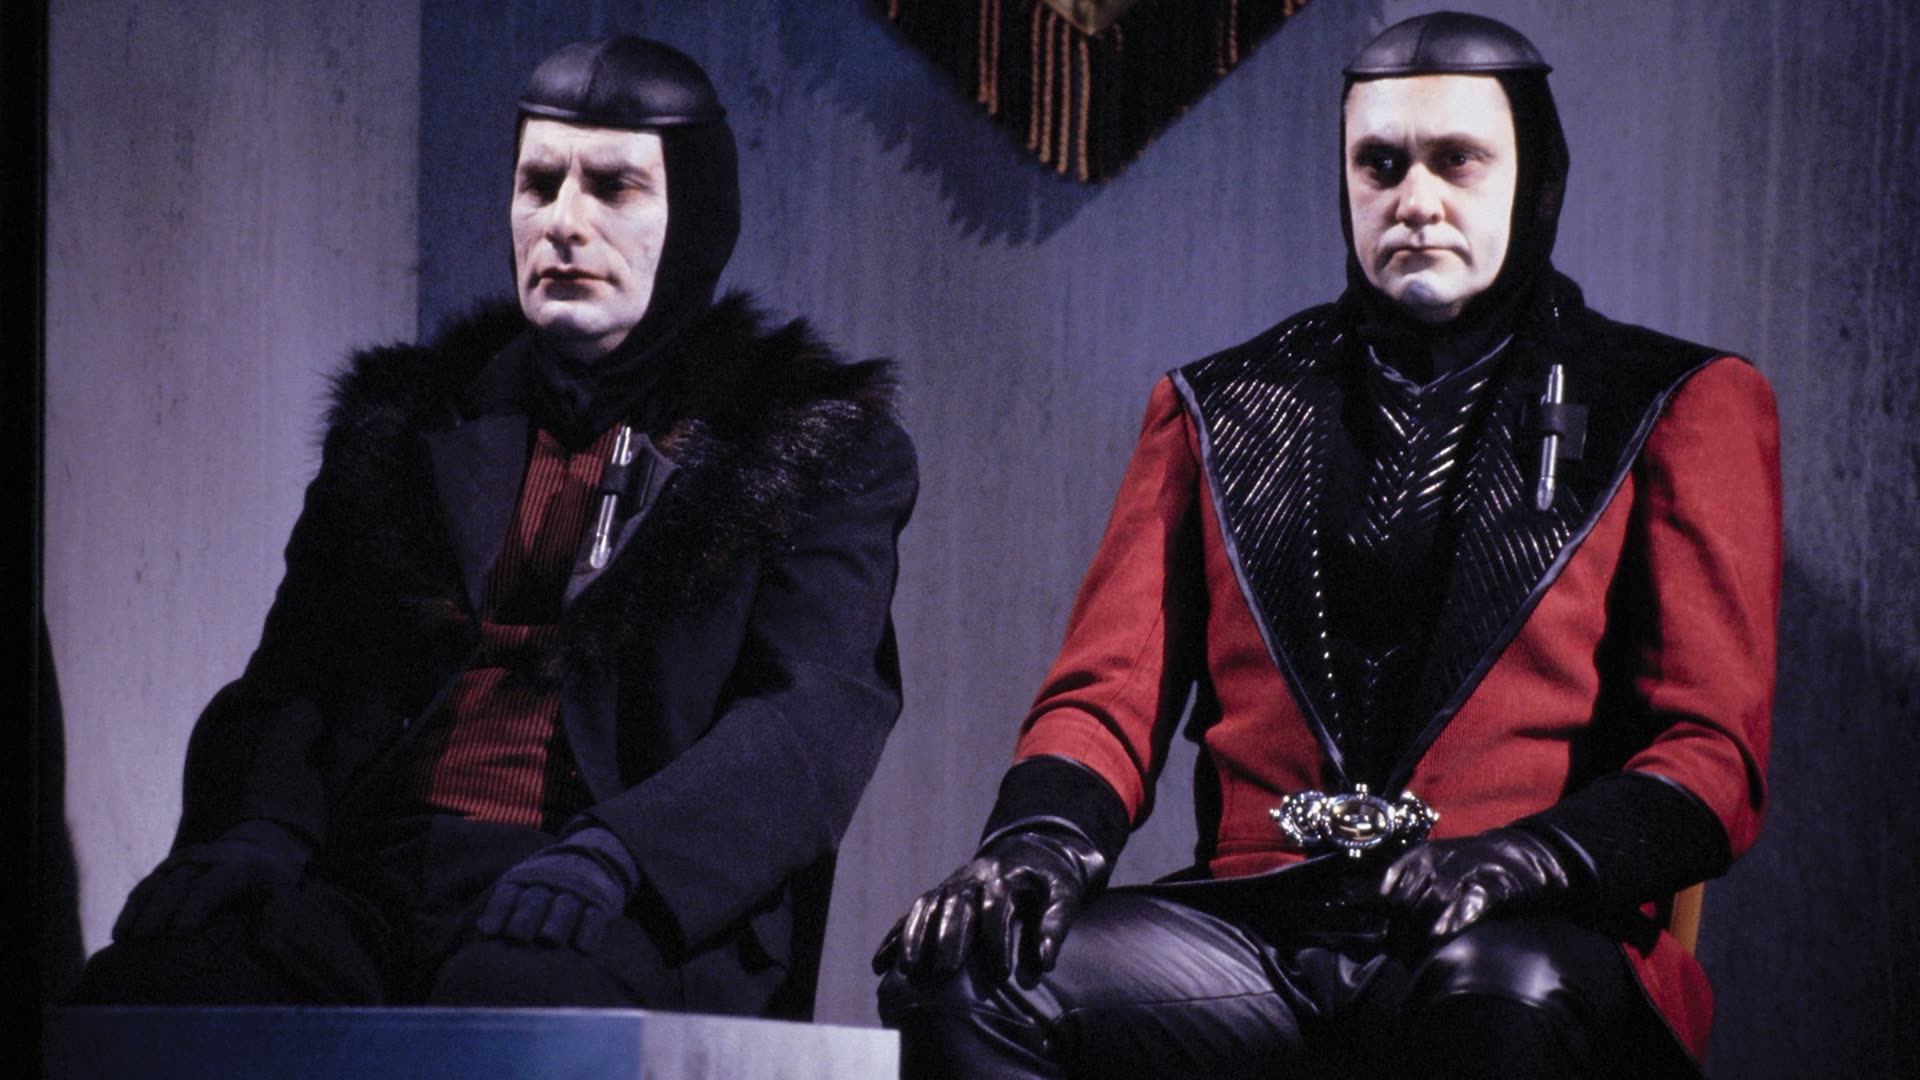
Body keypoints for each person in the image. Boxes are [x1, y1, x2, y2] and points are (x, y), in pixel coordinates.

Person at [875, 11, 1776, 1078]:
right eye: (1380, 165)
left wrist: (1533, 858)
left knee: (1498, 991)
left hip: (1526, 930)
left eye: (1458, 161)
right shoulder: (1217, 407)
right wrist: (1036, 842)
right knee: (971, 980)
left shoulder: (1674, 401)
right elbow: (1104, 699)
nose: (1416, 200)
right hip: (1260, 934)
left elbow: (1712, 755)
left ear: (1537, 180)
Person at [72, 35, 916, 1019]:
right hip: (367, 883)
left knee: (516, 1013)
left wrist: (621, 853)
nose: (564, 223)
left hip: (623, 891)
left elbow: (811, 717)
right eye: (539, 184)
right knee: (148, 993)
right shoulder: (408, 423)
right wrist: (257, 829)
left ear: (697, 216)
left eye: (614, 188)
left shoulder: (808, 446)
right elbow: (293, 677)